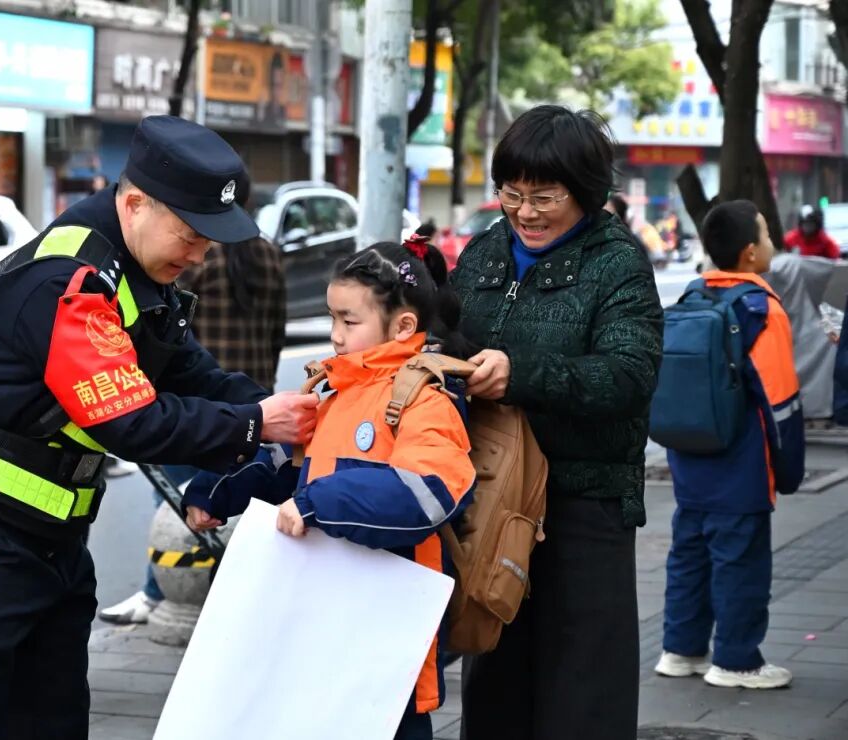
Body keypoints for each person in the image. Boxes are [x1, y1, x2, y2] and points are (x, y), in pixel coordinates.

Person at [0, 115, 318, 739]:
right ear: (135, 202)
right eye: (192, 234)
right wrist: (256, 424)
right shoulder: (70, 282)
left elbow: (190, 372)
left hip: (51, 535)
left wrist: (288, 414)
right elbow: (128, 420)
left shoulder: (139, 268)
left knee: (53, 719)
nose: (201, 254)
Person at [183, 239, 476, 740]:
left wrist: (318, 503)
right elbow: (285, 461)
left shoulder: (425, 398)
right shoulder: (336, 389)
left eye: (350, 321)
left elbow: (429, 490)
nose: (337, 336)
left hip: (389, 621)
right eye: (332, 319)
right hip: (328, 606)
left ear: (403, 326)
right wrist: (213, 491)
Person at [451, 105, 663, 740]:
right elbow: (448, 331)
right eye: (512, 194)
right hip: (493, 500)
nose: (526, 212)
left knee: (584, 691)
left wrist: (521, 375)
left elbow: (628, 376)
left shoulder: (617, 261)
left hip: (582, 505)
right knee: (494, 681)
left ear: (587, 192)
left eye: (545, 196)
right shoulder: (486, 250)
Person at [98, 218, 287, 625]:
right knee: (249, 507)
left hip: (194, 402)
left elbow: (171, 334)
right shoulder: (270, 253)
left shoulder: (194, 255)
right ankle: (234, 605)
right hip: (252, 393)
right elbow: (277, 330)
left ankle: (156, 594)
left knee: (176, 503)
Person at [657, 200, 804, 689]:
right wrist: (790, 469)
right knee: (740, 560)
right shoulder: (762, 307)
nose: (771, 243)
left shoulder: (693, 295)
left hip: (688, 454)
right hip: (741, 460)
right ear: (749, 253)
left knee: (689, 554)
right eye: (765, 235)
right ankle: (737, 660)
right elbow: (780, 399)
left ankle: (680, 650)